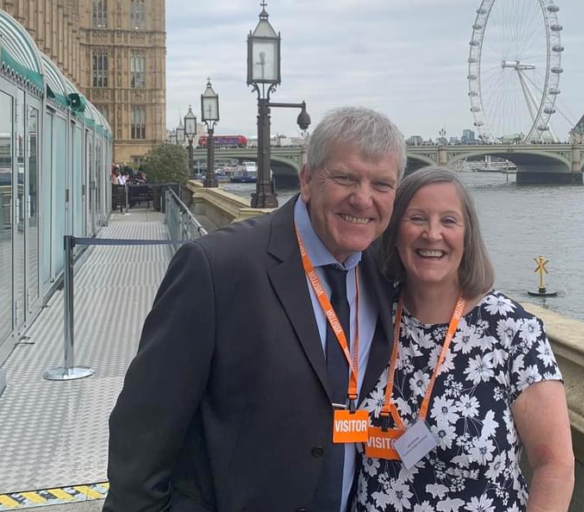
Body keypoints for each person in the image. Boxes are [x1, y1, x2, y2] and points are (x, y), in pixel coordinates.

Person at [104, 107, 407, 512]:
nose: (363, 198)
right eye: (346, 177)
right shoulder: (216, 267)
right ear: (307, 180)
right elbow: (141, 434)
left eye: (381, 184)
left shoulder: (384, 273)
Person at [356, 167, 574, 512]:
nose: (432, 234)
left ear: (468, 236)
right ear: (395, 231)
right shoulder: (370, 317)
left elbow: (555, 465)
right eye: (417, 218)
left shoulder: (512, 330)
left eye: (449, 221)